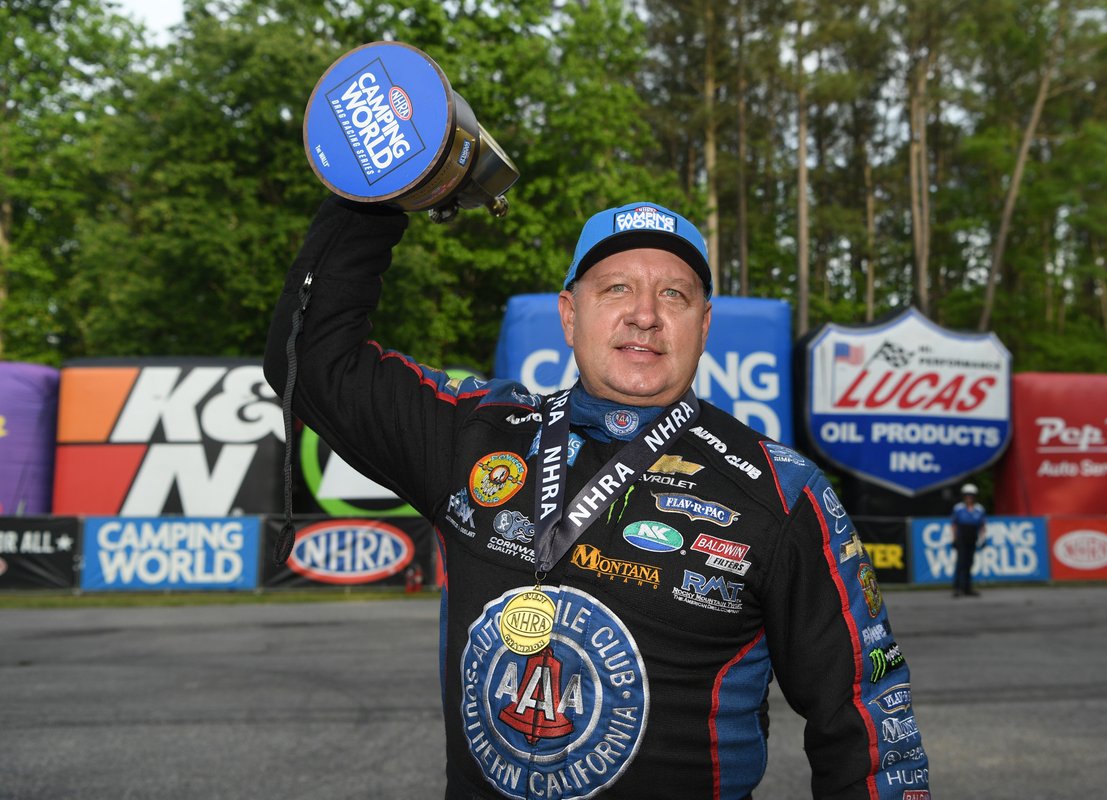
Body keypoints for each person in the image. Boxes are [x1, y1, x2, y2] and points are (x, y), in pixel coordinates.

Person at [264, 196, 931, 800]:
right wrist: (372, 195)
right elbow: (311, 360)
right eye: (617, 287)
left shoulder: (783, 492)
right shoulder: (472, 433)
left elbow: (866, 721)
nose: (644, 314)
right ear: (569, 313)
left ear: (703, 325)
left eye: (674, 294)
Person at [950, 483, 987, 597]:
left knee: (970, 563)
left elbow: (982, 525)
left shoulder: (979, 509)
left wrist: (982, 538)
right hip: (961, 537)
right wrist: (954, 538)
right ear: (964, 496)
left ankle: (967, 588)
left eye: (971, 495)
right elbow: (954, 524)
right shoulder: (958, 508)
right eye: (967, 495)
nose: (969, 497)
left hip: (973, 538)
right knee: (960, 562)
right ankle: (957, 588)